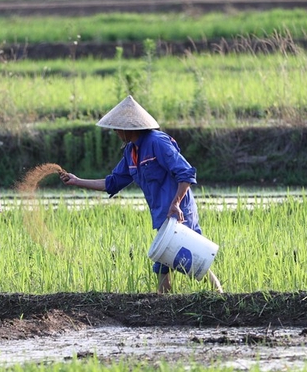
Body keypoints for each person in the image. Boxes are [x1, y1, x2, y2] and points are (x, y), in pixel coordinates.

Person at [59, 95, 223, 294]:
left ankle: (219, 297)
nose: (115, 132)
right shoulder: (131, 151)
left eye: (117, 128)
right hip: (163, 217)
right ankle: (164, 306)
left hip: (178, 212)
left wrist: (176, 203)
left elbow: (186, 173)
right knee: (165, 262)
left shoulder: (157, 143)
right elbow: (112, 183)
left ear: (128, 129)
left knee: (192, 260)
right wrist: (77, 181)